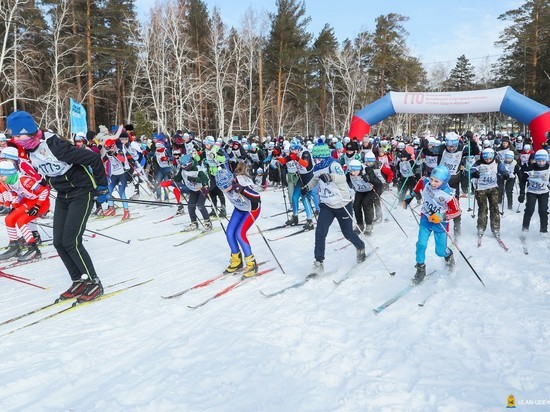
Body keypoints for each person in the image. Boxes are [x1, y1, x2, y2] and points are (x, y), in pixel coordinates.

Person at [7, 110, 109, 302]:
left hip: (81, 191)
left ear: (28, 132)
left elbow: (93, 159)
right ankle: (79, 280)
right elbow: (48, 169)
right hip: (64, 194)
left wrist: (102, 186)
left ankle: (94, 282)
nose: (15, 140)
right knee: (59, 242)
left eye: (17, 136)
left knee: (71, 241)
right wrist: (45, 184)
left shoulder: (55, 145)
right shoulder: (30, 148)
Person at [302, 142, 366, 276]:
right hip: (327, 204)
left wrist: (331, 177)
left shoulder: (333, 164)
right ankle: (319, 262)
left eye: (319, 158)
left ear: (325, 156)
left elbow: (343, 178)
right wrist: (307, 187)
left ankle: (360, 246)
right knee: (320, 232)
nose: (317, 160)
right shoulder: (318, 167)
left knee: (347, 233)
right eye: (315, 158)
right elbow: (315, 179)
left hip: (342, 202)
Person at [404, 165, 461, 283]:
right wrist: (411, 196)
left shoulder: (448, 194)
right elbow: (419, 183)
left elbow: (457, 211)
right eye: (432, 179)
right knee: (421, 244)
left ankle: (448, 255)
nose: (433, 183)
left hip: (440, 224)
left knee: (440, 251)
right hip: (425, 218)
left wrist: (442, 217)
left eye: (436, 181)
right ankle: (420, 268)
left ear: (444, 181)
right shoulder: (426, 182)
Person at [215, 163, 261, 278]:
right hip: (240, 209)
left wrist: (243, 190)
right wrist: (206, 191)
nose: (224, 189)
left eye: (225, 186)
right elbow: (214, 190)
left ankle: (251, 263)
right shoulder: (223, 184)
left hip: (252, 209)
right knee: (230, 233)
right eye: (221, 187)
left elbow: (257, 197)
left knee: (240, 234)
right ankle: (237, 261)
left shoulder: (242, 182)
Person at [0, 161, 50, 261]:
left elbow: (44, 191)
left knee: (21, 221)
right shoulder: (9, 182)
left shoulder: (24, 180)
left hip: (41, 202)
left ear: (9, 173)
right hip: (30, 201)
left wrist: (37, 207)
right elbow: (15, 193)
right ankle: (14, 247)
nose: (0, 178)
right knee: (9, 219)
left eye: (2, 176)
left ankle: (34, 249)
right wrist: (14, 207)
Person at [470, 148, 509, 238]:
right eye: (486, 159)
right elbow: (472, 169)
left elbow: (503, 170)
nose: (488, 160)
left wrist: (505, 174)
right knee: (483, 208)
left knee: (494, 208)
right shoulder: (479, 163)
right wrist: (474, 173)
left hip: (493, 188)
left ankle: (495, 228)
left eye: (489, 159)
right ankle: (481, 227)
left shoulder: (497, 162)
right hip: (481, 189)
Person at [346, 158, 382, 236]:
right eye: (351, 171)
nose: (352, 173)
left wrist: (369, 179)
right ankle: (360, 224)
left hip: (371, 190)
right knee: (356, 206)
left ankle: (369, 225)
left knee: (366, 204)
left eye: (353, 171)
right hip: (360, 191)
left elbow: (378, 183)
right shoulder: (349, 174)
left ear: (359, 169)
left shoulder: (367, 170)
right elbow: (344, 182)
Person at [178, 154, 212, 231]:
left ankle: (207, 222)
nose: (182, 166)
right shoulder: (183, 170)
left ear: (190, 164)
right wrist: (171, 180)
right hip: (193, 189)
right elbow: (178, 177)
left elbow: (205, 180)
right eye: (181, 165)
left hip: (202, 189)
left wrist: (195, 179)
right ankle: (194, 223)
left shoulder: (198, 169)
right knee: (190, 206)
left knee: (200, 205)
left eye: (184, 165)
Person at [521, 149, 549, 236]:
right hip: (532, 192)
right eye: (539, 161)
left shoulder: (548, 168)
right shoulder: (530, 168)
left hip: (544, 192)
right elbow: (522, 180)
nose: (541, 163)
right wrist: (522, 193)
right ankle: (525, 229)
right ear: (535, 160)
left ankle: (543, 230)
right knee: (529, 210)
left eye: (543, 161)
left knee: (543, 211)